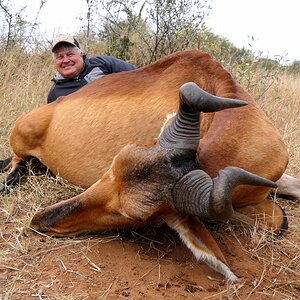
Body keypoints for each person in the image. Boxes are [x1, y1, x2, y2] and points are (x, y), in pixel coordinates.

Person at [47, 33, 136, 103]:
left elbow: (139, 76)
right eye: (60, 57)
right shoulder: (55, 94)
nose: (65, 60)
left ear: (81, 54)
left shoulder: (104, 63)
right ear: (55, 61)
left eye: (70, 54)